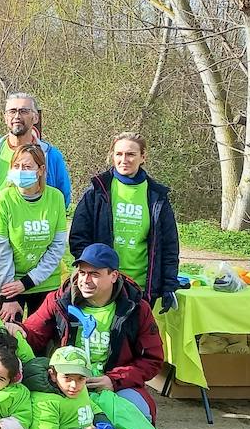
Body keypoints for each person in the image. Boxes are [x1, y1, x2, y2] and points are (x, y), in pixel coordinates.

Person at [15, 243, 165, 422]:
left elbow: (152, 359)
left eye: (95, 274)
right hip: (64, 382)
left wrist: (114, 380)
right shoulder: (58, 301)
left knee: (139, 413)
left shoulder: (137, 309)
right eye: (82, 272)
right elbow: (32, 334)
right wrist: (18, 330)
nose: (85, 280)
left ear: (113, 276)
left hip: (115, 384)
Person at [69, 132, 180, 311]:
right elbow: (78, 238)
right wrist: (93, 274)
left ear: (143, 157)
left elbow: (169, 246)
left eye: (130, 154)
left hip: (142, 286)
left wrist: (168, 285)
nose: (124, 159)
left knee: (136, 338)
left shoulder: (157, 196)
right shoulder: (97, 190)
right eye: (119, 154)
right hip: (103, 286)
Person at [0, 93, 71, 284]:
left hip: (39, 255)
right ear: (5, 117)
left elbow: (63, 198)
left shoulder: (51, 156)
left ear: (35, 117)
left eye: (24, 111)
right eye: (12, 111)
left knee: (43, 314)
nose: (17, 116)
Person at [0, 143, 68, 323]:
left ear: (41, 170)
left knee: (42, 343)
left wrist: (28, 282)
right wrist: (9, 297)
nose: (21, 171)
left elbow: (57, 247)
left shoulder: (56, 198)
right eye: (17, 166)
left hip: (45, 284)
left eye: (27, 167)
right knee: (9, 343)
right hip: (10, 287)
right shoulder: (2, 201)